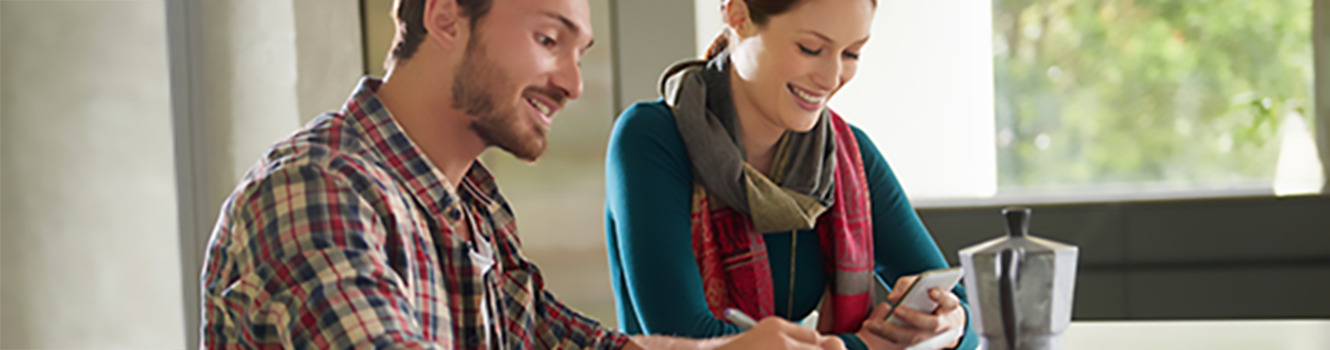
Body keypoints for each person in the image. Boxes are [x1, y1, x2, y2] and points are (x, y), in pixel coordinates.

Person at [198, 0, 846, 348]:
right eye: (547, 39)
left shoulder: (471, 207)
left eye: (578, 52)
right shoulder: (318, 193)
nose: (571, 82)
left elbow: (569, 343)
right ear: (446, 15)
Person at [604, 0, 978, 349]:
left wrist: (951, 324)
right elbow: (686, 335)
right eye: (810, 49)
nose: (833, 77)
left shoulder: (847, 155)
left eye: (851, 54)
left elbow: (963, 312)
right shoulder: (650, 139)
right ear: (739, 16)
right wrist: (863, 345)